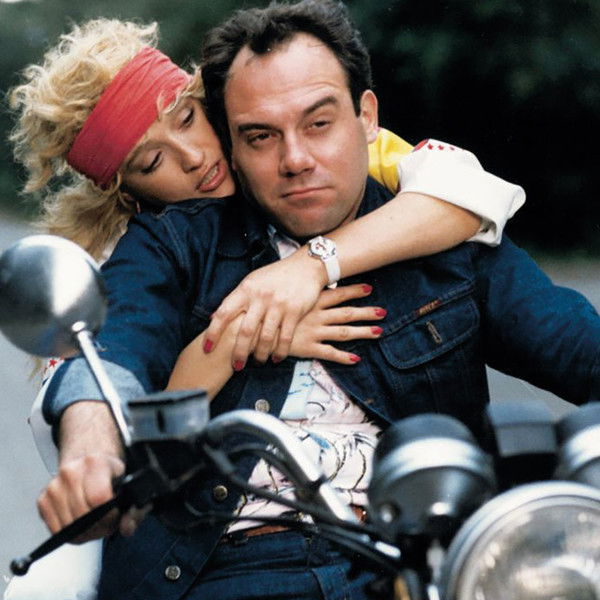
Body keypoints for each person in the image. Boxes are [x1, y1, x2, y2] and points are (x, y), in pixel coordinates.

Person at [6, 10, 534, 600]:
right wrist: (241, 333)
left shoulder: (332, 150)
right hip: (211, 549)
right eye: (151, 162)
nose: (192, 157)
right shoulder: (140, 250)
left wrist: (309, 266)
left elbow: (465, 196)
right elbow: (106, 371)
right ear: (127, 192)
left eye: (188, 119)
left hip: (397, 548)